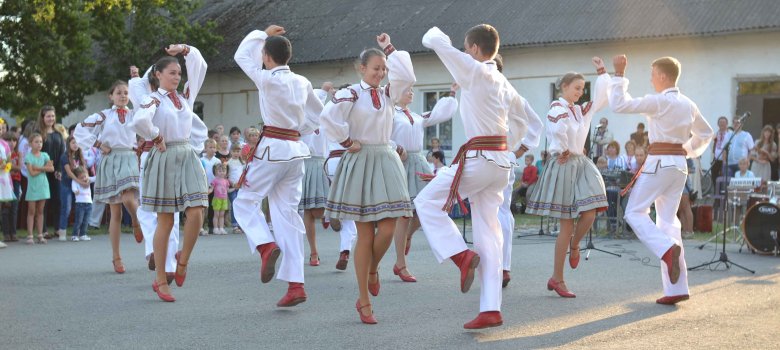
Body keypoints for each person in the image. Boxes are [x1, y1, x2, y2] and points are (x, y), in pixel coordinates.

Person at [415, 25, 541, 329]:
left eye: (466, 46)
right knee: (489, 232)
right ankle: (490, 308)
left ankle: (460, 256)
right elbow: (526, 122)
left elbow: (432, 40)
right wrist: (510, 146)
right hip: (500, 163)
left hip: (480, 158)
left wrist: (439, 35)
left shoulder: (473, 71)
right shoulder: (503, 81)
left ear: (473, 49)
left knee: (425, 202)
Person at [321, 32, 416, 324]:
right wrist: (348, 141)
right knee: (364, 233)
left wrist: (389, 48)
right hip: (360, 161)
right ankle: (363, 299)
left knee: (388, 228)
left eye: (383, 68)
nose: (380, 72)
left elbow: (407, 75)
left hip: (385, 160)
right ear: (361, 68)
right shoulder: (351, 92)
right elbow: (327, 118)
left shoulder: (389, 93)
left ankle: (373, 268)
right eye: (375, 67)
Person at [609, 54, 713, 305]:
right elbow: (706, 133)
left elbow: (620, 105)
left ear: (663, 76)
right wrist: (686, 150)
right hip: (678, 165)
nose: (651, 78)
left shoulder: (659, 101)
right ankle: (676, 288)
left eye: (653, 74)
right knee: (668, 222)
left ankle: (666, 250)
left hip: (659, 163)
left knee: (634, 212)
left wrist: (619, 74)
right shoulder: (689, 103)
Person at [233, 25, 323, 308]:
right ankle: (295, 284)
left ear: (267, 57)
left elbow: (240, 56)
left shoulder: (266, 78)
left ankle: (265, 245)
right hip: (296, 152)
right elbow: (317, 116)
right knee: (288, 216)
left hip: (272, 149)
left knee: (245, 202)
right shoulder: (302, 81)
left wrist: (261, 33)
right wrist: (299, 128)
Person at [527, 59, 611, 299]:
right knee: (566, 223)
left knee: (591, 211)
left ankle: (575, 245)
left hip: (581, 163)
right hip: (565, 163)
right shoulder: (558, 109)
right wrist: (562, 148)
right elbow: (557, 131)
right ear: (563, 87)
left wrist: (603, 73)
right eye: (576, 87)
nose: (580, 92)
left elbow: (603, 99)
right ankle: (557, 278)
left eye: (583, 88)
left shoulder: (581, 110)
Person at [132, 43, 209, 302]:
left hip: (187, 155)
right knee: (165, 220)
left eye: (179, 73)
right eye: (172, 73)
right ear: (158, 75)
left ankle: (182, 262)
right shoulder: (152, 98)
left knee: (197, 212)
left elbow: (200, 67)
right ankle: (161, 280)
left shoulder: (186, 96)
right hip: (164, 157)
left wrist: (185, 49)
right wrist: (156, 136)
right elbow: (140, 121)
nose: (177, 76)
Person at [390, 84, 459, 283]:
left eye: (412, 89)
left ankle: (409, 236)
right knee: (404, 214)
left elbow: (439, 114)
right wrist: (396, 147)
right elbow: (381, 135)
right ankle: (400, 263)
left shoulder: (417, 116)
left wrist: (452, 93)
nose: (411, 92)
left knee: (426, 206)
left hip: (419, 162)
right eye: (407, 89)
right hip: (400, 162)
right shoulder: (390, 114)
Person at [74, 80, 143, 274]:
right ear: (111, 96)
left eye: (125, 92)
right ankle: (116, 257)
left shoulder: (134, 114)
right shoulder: (104, 115)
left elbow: (147, 127)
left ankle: (137, 222)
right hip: (110, 160)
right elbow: (80, 129)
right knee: (115, 214)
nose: (123, 96)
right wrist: (97, 144)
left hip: (129, 158)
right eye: (118, 93)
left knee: (129, 198)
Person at [37, 106, 66, 240]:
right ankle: (42, 230)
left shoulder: (58, 134)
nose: (51, 118)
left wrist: (59, 169)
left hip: (56, 171)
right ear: (43, 118)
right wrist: (45, 166)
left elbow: (62, 153)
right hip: (42, 171)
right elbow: (36, 152)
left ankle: (57, 228)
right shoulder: (38, 133)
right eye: (48, 116)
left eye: (52, 116)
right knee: (44, 202)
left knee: (57, 200)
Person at [25, 133, 54, 244]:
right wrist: (44, 168)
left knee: (40, 211)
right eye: (36, 142)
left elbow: (51, 168)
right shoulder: (28, 157)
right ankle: (30, 235)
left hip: (43, 186)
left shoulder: (45, 155)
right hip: (33, 187)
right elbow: (32, 173)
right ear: (31, 143)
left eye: (40, 142)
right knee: (31, 211)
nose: (39, 144)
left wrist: (39, 168)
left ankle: (40, 235)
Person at [56, 136, 87, 241]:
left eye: (77, 143)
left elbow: (84, 169)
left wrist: (85, 179)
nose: (75, 145)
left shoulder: (79, 156)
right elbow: (69, 172)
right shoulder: (64, 156)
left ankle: (78, 233)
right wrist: (79, 181)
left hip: (79, 186)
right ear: (68, 144)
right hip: (66, 185)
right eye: (73, 143)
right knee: (67, 209)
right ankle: (62, 231)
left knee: (79, 208)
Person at [1, 132, 21, 242]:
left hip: (15, 182)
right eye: (9, 140)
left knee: (14, 207)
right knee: (5, 208)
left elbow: (18, 168)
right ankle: (6, 233)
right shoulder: (3, 151)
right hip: (4, 181)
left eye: (14, 140)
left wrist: (7, 165)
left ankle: (13, 232)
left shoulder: (18, 153)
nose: (11, 143)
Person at [200, 138, 221, 236]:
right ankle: (202, 227)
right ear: (205, 148)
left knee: (213, 208)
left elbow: (220, 174)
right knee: (203, 208)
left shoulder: (217, 161)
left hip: (215, 188)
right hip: (204, 187)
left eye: (214, 147)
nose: (212, 149)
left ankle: (213, 227)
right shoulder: (201, 160)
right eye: (210, 147)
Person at [70, 166, 93, 241]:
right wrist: (75, 191)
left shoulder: (88, 180)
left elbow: (95, 178)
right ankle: (74, 235)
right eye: (81, 178)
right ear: (77, 178)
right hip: (80, 204)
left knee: (86, 221)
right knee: (79, 220)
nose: (84, 179)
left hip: (89, 203)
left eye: (85, 176)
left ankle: (83, 234)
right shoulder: (75, 181)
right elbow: (74, 187)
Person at [226, 143, 244, 233]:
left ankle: (241, 224)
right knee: (234, 203)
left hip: (241, 187)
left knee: (241, 205)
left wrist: (240, 184)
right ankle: (234, 225)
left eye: (238, 151)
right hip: (232, 187)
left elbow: (243, 175)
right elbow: (227, 176)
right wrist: (233, 184)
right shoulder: (228, 163)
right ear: (230, 152)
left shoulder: (242, 163)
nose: (236, 153)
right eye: (234, 151)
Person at [209, 163, 232, 235]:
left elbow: (228, 190)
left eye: (223, 170)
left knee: (222, 214)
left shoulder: (226, 181)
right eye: (219, 171)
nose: (222, 172)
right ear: (215, 172)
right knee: (216, 214)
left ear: (226, 172)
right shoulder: (215, 180)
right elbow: (211, 189)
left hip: (224, 200)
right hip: (217, 199)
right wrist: (207, 192)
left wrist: (236, 188)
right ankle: (215, 228)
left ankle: (221, 228)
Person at [711, 116, 732, 185]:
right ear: (718, 124)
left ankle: (722, 193)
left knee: (724, 177)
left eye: (723, 122)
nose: (722, 124)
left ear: (727, 124)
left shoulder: (730, 134)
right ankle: (716, 193)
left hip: (726, 160)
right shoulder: (715, 134)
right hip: (716, 159)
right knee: (714, 176)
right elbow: (712, 146)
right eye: (720, 122)